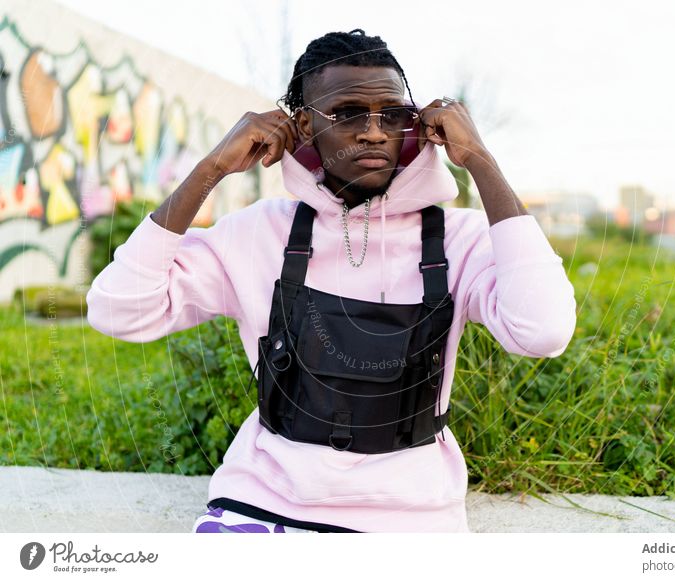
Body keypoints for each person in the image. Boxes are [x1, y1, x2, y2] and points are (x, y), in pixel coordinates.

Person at [85, 29, 578, 533]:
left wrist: (481, 161)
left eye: (393, 115)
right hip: (263, 505)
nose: (373, 132)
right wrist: (210, 170)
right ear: (303, 126)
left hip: (413, 521)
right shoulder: (258, 233)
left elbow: (542, 331)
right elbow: (119, 310)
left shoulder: (461, 239)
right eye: (346, 114)